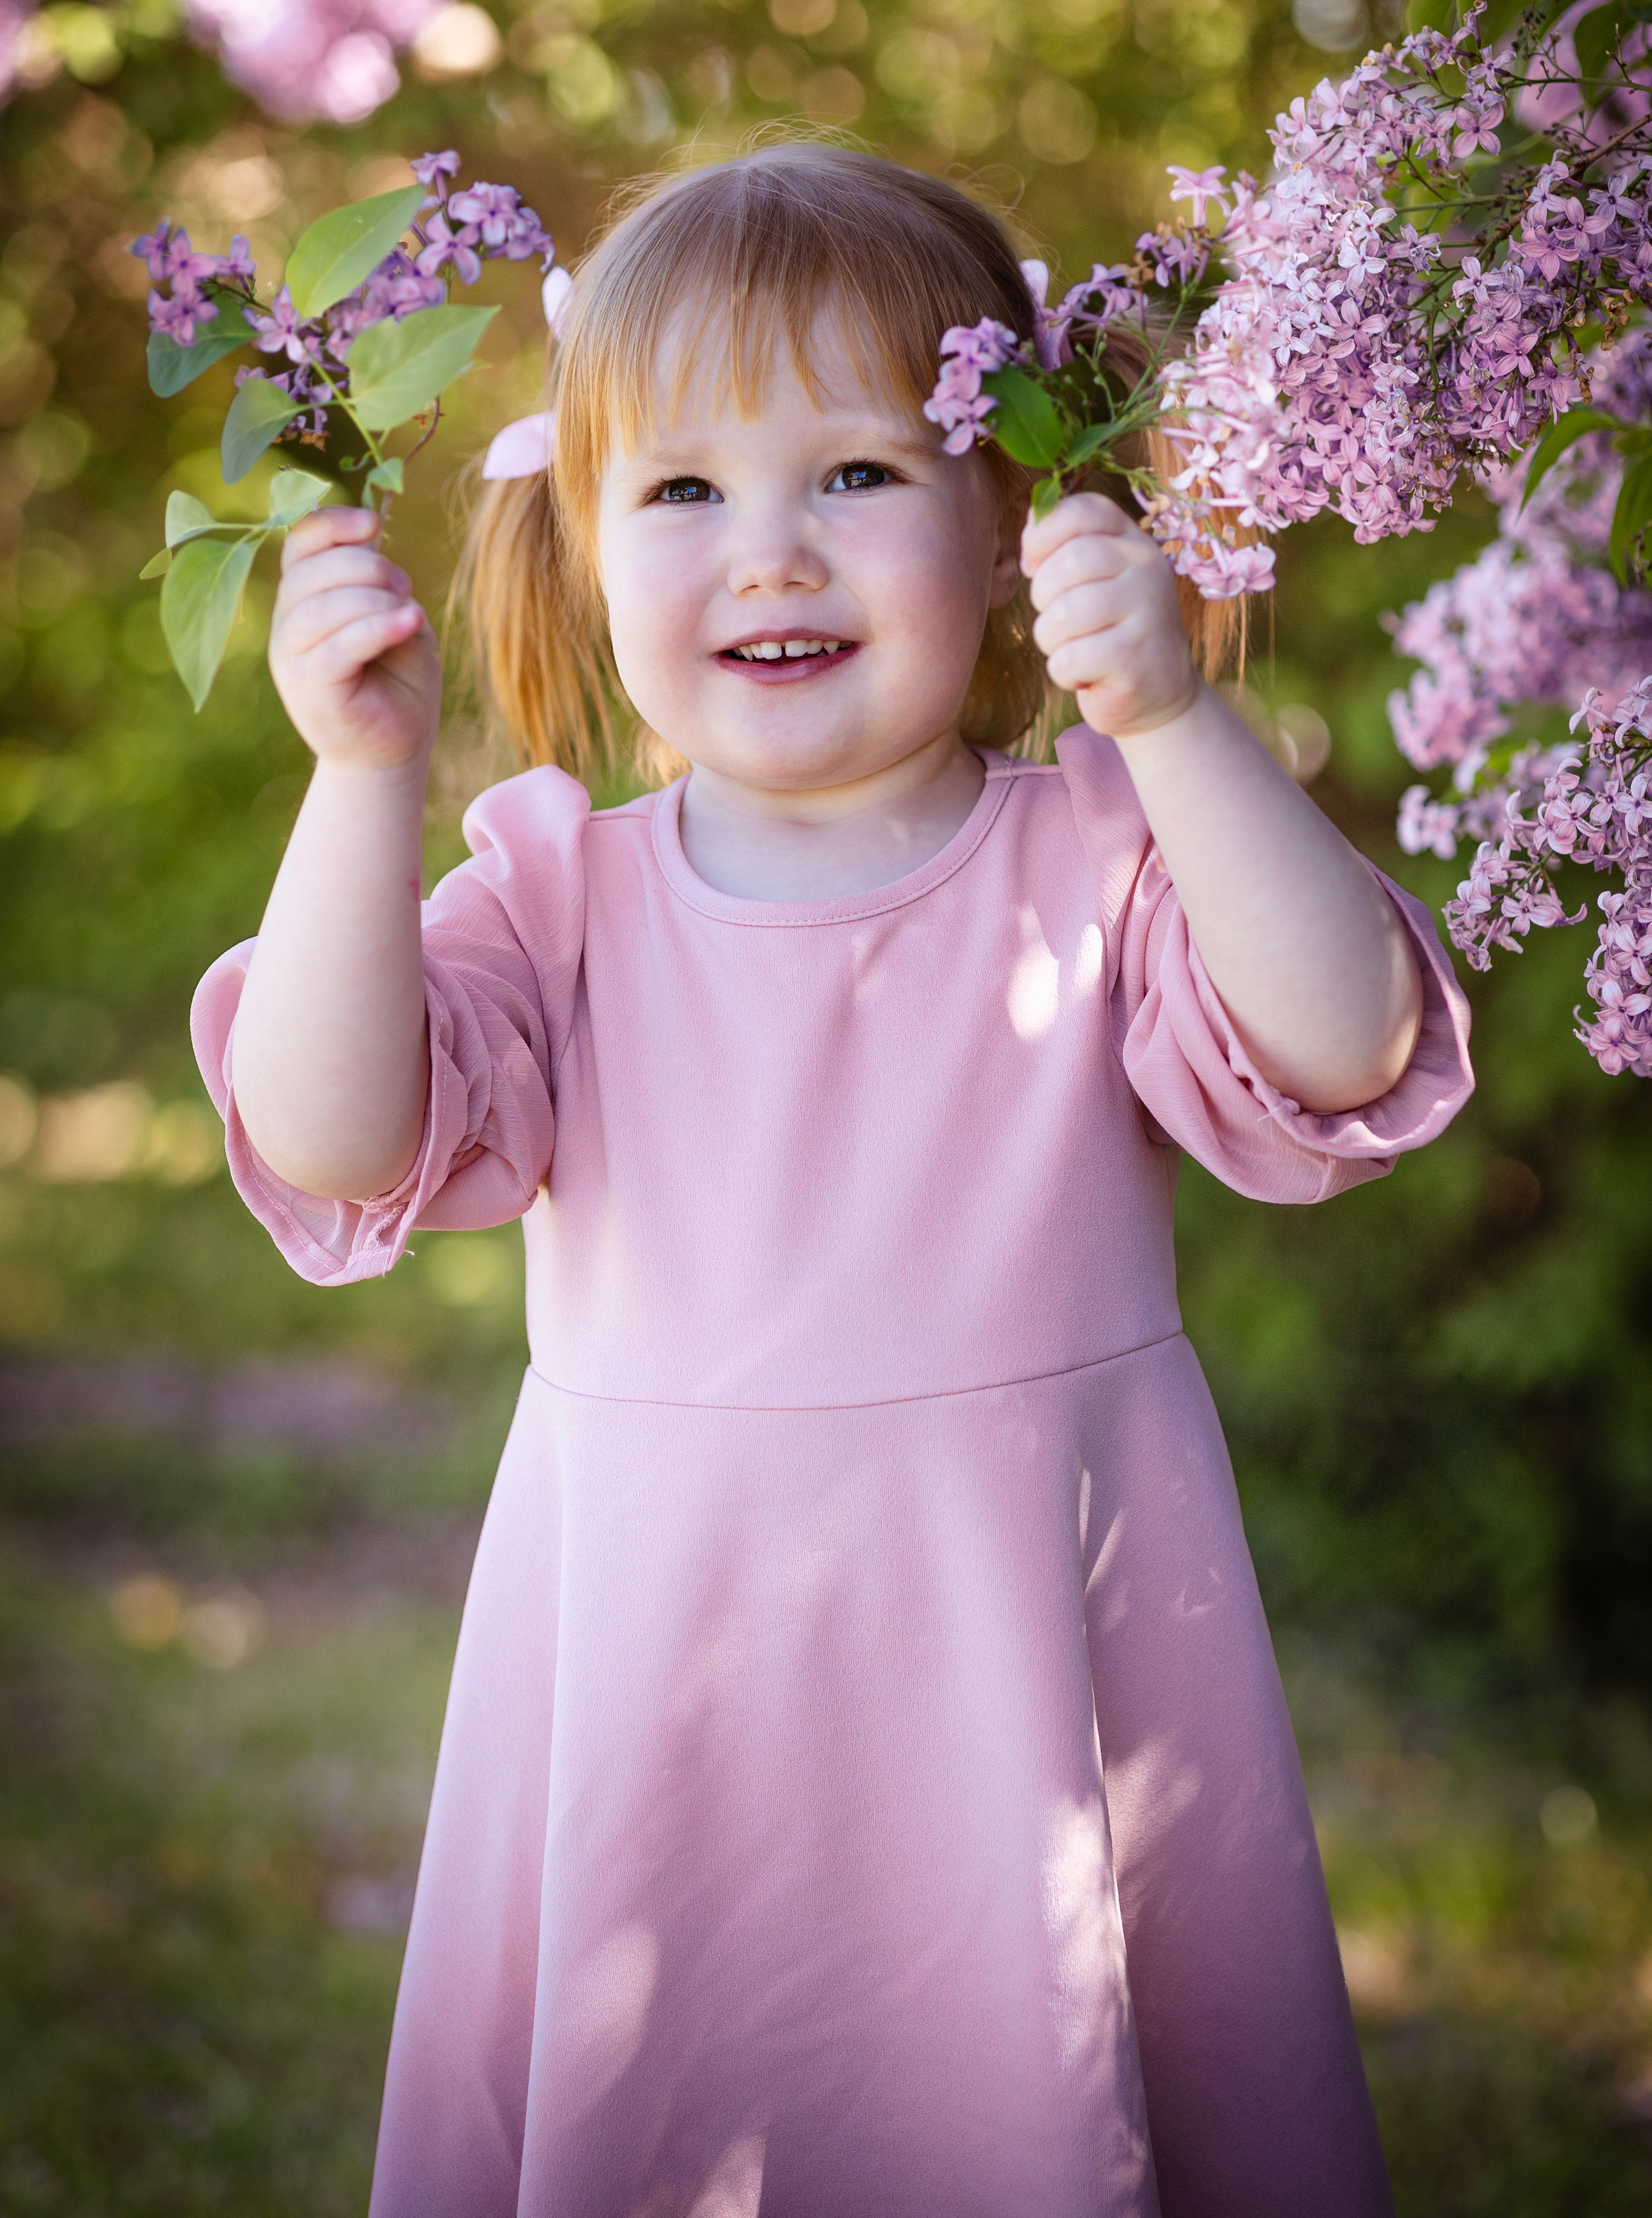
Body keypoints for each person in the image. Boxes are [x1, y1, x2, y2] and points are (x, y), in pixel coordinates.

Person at [194, 142, 1472, 2218]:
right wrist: (360, 781)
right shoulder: (564, 901)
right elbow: (334, 1132)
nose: (770, 553)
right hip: (673, 1705)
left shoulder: (1100, 861)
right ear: (582, 538)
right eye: (684, 490)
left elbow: (1349, 1043)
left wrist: (1171, 719)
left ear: (1010, 521)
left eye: (858, 473)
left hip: (1030, 1670)